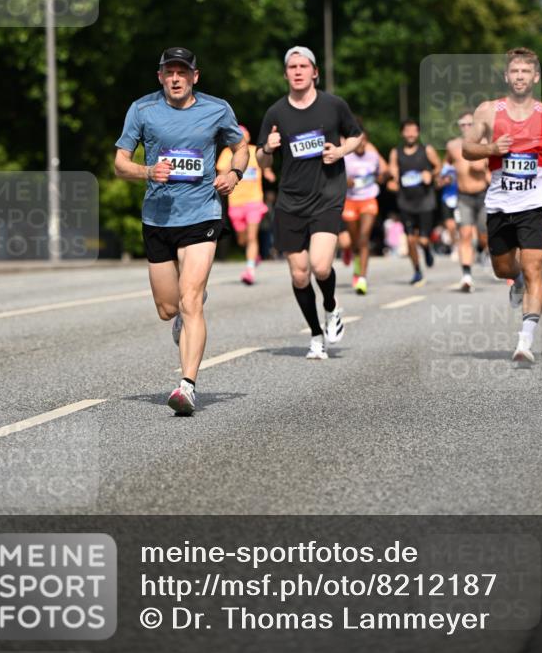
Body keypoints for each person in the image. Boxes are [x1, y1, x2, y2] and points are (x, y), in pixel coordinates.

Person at [114, 46, 248, 414]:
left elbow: (241, 147)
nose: (175, 78)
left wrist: (233, 173)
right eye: (169, 72)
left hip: (202, 214)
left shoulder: (217, 109)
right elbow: (119, 164)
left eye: (182, 72)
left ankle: (187, 386)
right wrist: (147, 171)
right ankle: (187, 311)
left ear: (194, 76)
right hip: (157, 218)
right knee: (167, 308)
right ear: (160, 76)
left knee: (189, 300)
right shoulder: (142, 110)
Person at [462, 47, 542, 363]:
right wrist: (492, 147)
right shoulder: (488, 111)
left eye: (526, 72)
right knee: (503, 268)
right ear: (506, 76)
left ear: (536, 77)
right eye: (515, 71)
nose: (520, 77)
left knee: (535, 264)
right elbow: (468, 148)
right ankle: (517, 281)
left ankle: (525, 341)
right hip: (501, 201)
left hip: (536, 200)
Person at [256, 46, 362, 359]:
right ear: (286, 73)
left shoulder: (333, 105)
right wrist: (268, 149)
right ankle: (316, 334)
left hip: (327, 196)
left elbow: (356, 136)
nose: (298, 71)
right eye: (292, 67)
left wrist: (341, 151)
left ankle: (331, 307)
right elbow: (262, 163)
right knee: (300, 274)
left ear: (315, 72)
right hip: (290, 202)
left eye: (304, 66)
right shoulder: (276, 113)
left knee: (320, 265)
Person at [216, 125, 275, 285]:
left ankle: (249, 270)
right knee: (242, 240)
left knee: (251, 237)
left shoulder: (255, 151)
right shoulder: (227, 153)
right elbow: (222, 174)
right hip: (236, 202)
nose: (244, 137)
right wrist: (233, 160)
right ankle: (254, 257)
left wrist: (268, 172)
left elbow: (265, 164)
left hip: (254, 200)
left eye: (246, 134)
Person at [388, 120, 441, 286]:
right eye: (407, 131)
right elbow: (393, 171)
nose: (410, 134)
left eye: (414, 131)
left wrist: (430, 174)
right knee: (411, 240)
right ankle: (417, 270)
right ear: (402, 133)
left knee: (423, 240)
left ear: (418, 133)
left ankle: (426, 249)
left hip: (425, 200)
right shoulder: (396, 152)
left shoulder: (427, 150)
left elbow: (438, 166)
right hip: (406, 201)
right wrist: (394, 180)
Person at [445, 112, 490, 292]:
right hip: (463, 196)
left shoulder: (486, 144)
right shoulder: (452, 145)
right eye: (462, 124)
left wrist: (482, 163)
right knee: (464, 234)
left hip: (483, 195)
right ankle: (466, 276)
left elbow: (490, 167)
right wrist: (445, 176)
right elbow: (447, 166)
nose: (466, 128)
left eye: (470, 124)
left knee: (484, 235)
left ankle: (482, 250)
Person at [342, 126, 388, 294]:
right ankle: (355, 260)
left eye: (364, 141)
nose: (361, 145)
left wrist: (382, 177)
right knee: (354, 241)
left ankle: (362, 278)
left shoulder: (373, 157)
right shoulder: (346, 157)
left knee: (363, 237)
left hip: (368, 199)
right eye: (357, 142)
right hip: (350, 201)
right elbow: (335, 177)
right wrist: (345, 181)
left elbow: (382, 172)